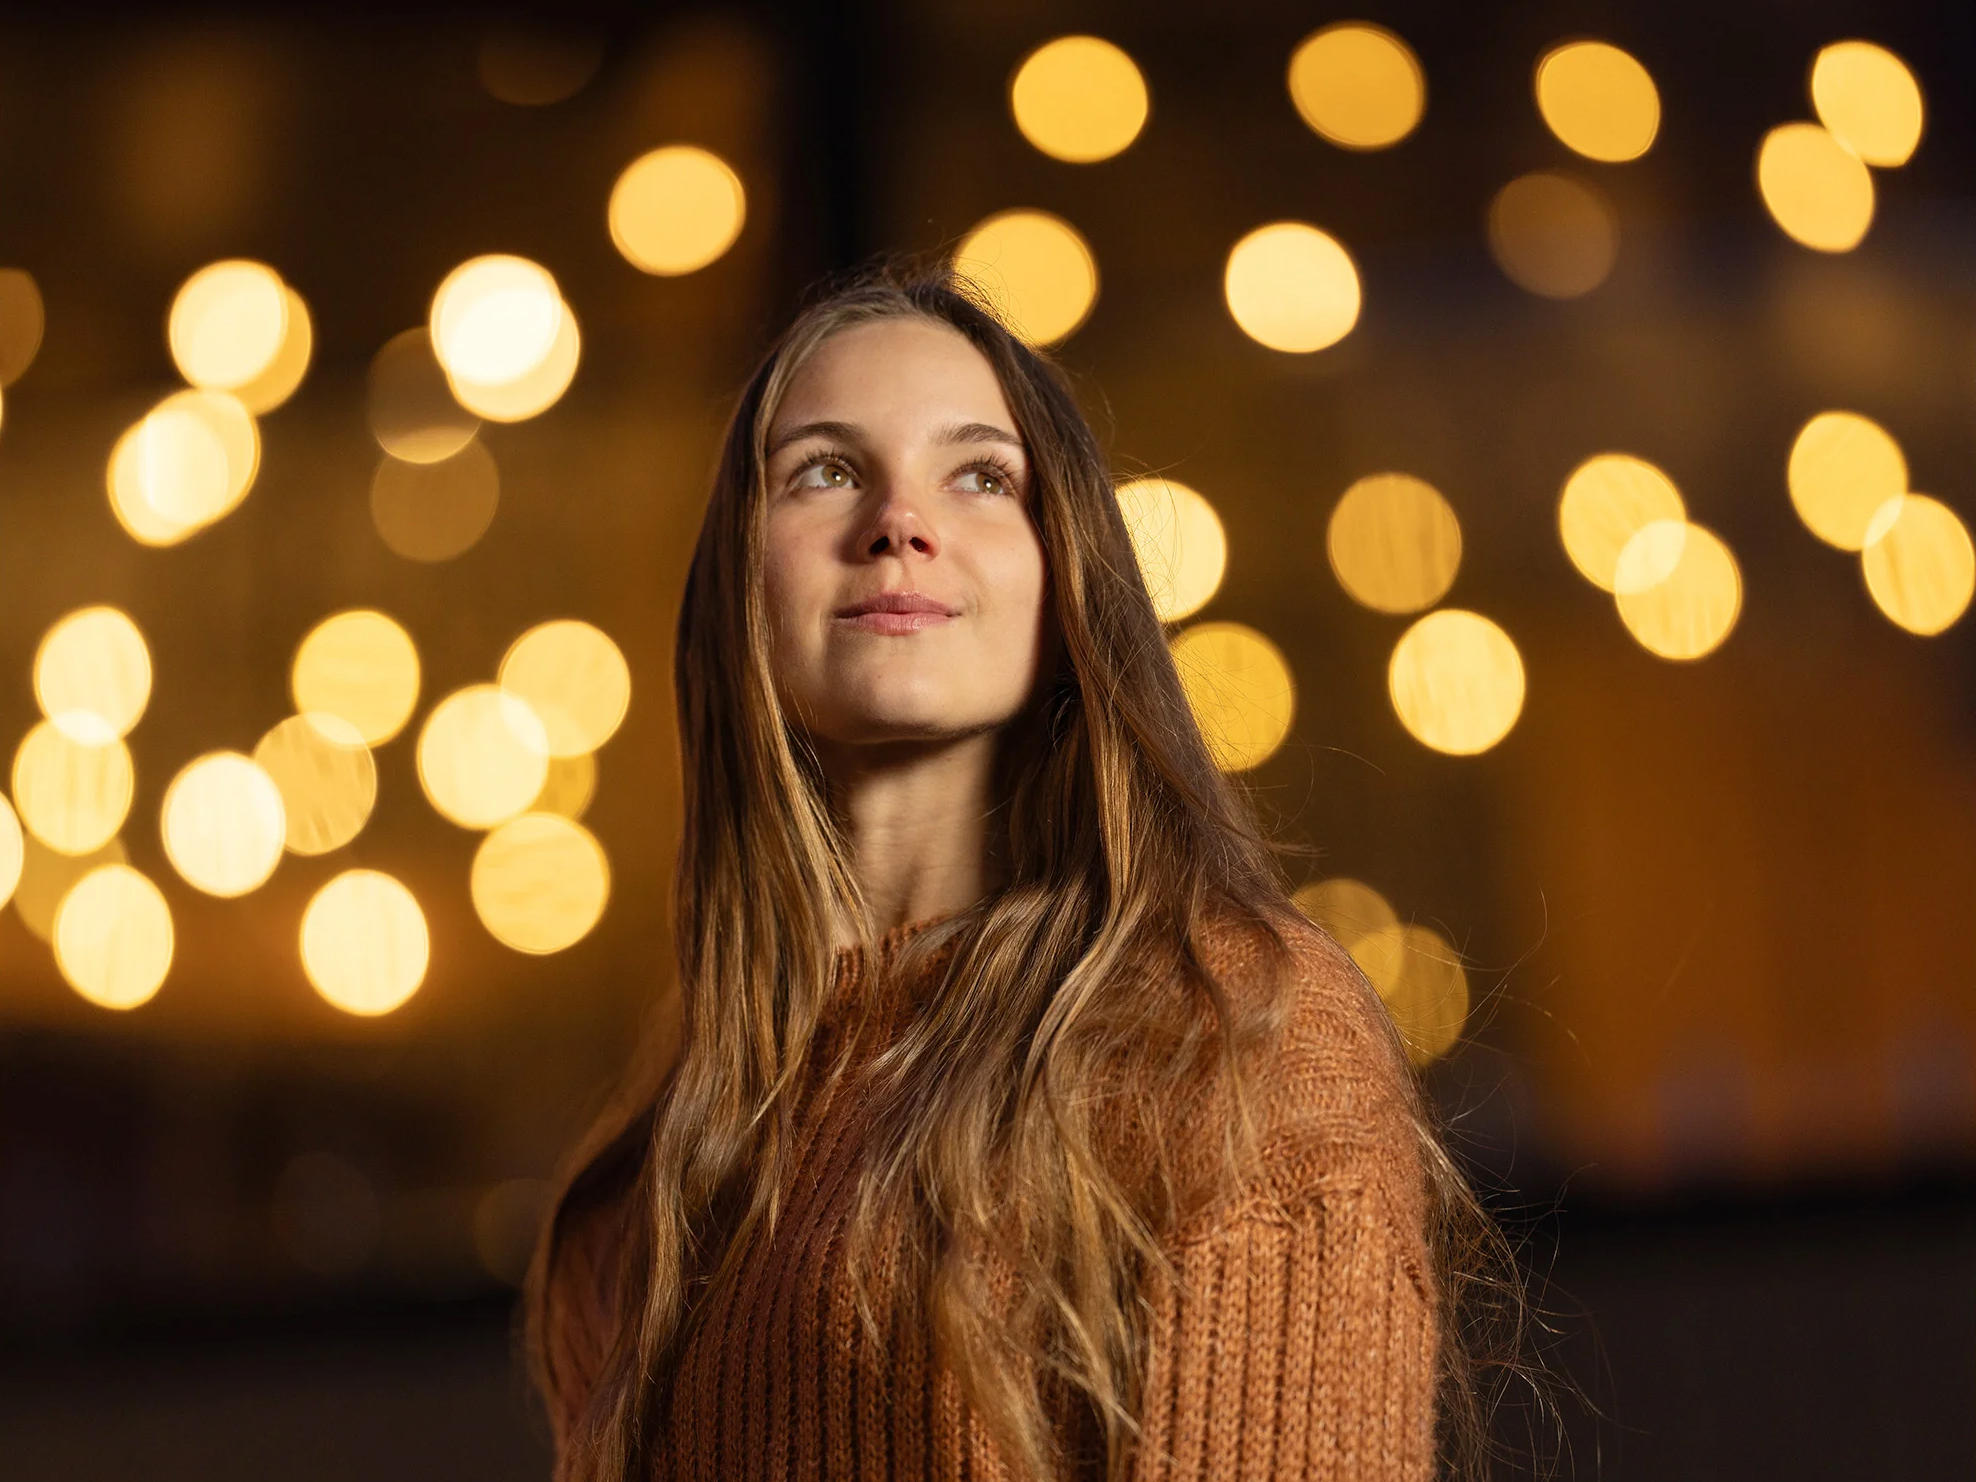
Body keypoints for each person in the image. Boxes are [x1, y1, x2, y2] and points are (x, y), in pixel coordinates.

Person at [527, 266, 1508, 1481]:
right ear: (739, 586)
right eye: (825, 470)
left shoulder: (1228, 1032)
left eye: (981, 476)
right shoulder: (654, 1180)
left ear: (1066, 578)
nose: (899, 521)